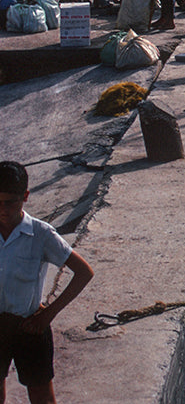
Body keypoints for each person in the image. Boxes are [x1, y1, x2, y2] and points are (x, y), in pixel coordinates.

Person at [0, 159, 94, 404]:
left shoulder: (41, 234)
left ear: (26, 196)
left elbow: (83, 272)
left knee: (41, 395)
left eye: (10, 202)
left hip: (29, 326)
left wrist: (47, 315)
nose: (2, 209)